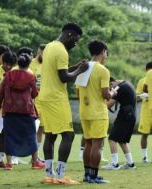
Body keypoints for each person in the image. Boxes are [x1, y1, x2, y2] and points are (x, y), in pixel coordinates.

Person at [39, 22, 88, 185]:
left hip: (44, 96)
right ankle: (60, 175)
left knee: (50, 135)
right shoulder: (62, 51)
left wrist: (76, 66)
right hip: (56, 98)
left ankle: (48, 173)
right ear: (69, 34)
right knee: (68, 135)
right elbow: (64, 77)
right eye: (75, 39)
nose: (76, 43)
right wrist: (80, 71)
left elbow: (60, 70)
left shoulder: (49, 46)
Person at [77, 40, 115, 183]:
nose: (106, 56)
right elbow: (106, 94)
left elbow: (78, 90)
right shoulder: (103, 70)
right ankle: (94, 176)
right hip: (98, 111)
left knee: (88, 143)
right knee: (98, 144)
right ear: (103, 52)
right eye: (106, 53)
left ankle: (87, 174)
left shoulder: (83, 67)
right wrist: (113, 93)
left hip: (84, 111)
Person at [0, 53, 39, 171]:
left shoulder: (8, 75)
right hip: (26, 111)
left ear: (18, 63)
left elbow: (0, 92)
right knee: (30, 135)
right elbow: (34, 93)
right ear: (29, 64)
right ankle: (35, 162)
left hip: (10, 110)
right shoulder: (30, 77)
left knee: (9, 136)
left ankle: (9, 163)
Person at [102, 77, 137, 170]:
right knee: (122, 141)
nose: (109, 90)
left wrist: (99, 104)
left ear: (111, 84)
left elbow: (109, 104)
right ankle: (130, 163)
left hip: (125, 115)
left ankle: (114, 164)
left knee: (112, 138)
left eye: (109, 88)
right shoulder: (126, 83)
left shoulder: (119, 88)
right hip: (131, 115)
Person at [137, 62, 152, 163]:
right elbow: (136, 97)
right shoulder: (142, 81)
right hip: (146, 111)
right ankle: (144, 157)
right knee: (144, 134)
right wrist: (142, 96)